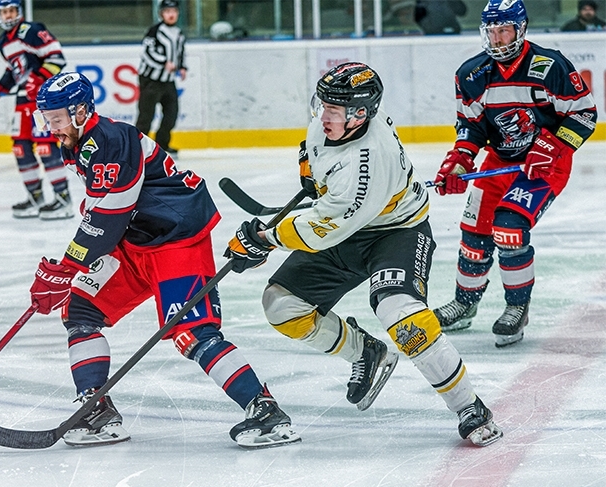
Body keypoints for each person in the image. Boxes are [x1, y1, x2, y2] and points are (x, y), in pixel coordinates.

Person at [224, 63, 503, 447]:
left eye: (333, 111)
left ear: (360, 115)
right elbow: (316, 159)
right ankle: (365, 351)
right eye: (322, 106)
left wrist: (264, 238)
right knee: (281, 306)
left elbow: (323, 229)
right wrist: (310, 170)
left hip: (395, 232)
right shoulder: (337, 118)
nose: (324, 116)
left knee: (402, 318)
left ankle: (469, 406)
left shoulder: (366, 162)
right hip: (349, 225)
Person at [27, 71, 301, 449]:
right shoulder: (76, 143)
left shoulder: (111, 139)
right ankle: (95, 410)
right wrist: (70, 268)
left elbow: (111, 213)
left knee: (193, 334)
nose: (49, 127)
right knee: (80, 311)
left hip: (176, 238)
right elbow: (100, 207)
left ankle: (266, 412)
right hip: (136, 238)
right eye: (46, 119)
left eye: (55, 118)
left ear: (79, 111)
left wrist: (68, 266)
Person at [431, 0, 598, 347]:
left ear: (520, 29)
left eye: (504, 30)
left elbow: (584, 114)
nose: (497, 38)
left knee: (509, 227)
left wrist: (553, 145)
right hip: (499, 161)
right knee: (474, 235)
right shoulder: (471, 74)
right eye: (491, 31)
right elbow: (471, 127)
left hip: (545, 165)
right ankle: (465, 303)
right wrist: (459, 161)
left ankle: (517, 308)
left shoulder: (549, 65)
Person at [0, 0, 74, 220]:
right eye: (3, 12)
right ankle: (35, 196)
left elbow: (57, 57)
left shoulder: (31, 30)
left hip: (43, 100)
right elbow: (16, 71)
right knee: (20, 148)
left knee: (45, 147)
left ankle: (63, 199)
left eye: (12, 10)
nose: (8, 15)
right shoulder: (4, 41)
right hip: (23, 101)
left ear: (19, 12)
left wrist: (39, 79)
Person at [136, 0, 187, 157]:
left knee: (172, 113)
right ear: (161, 14)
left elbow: (180, 52)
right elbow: (147, 53)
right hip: (151, 80)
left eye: (174, 11)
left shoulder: (178, 33)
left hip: (168, 80)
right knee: (146, 115)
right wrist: (164, 62)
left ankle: (162, 144)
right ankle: (138, 147)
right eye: (167, 11)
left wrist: (182, 66)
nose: (171, 14)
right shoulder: (154, 32)